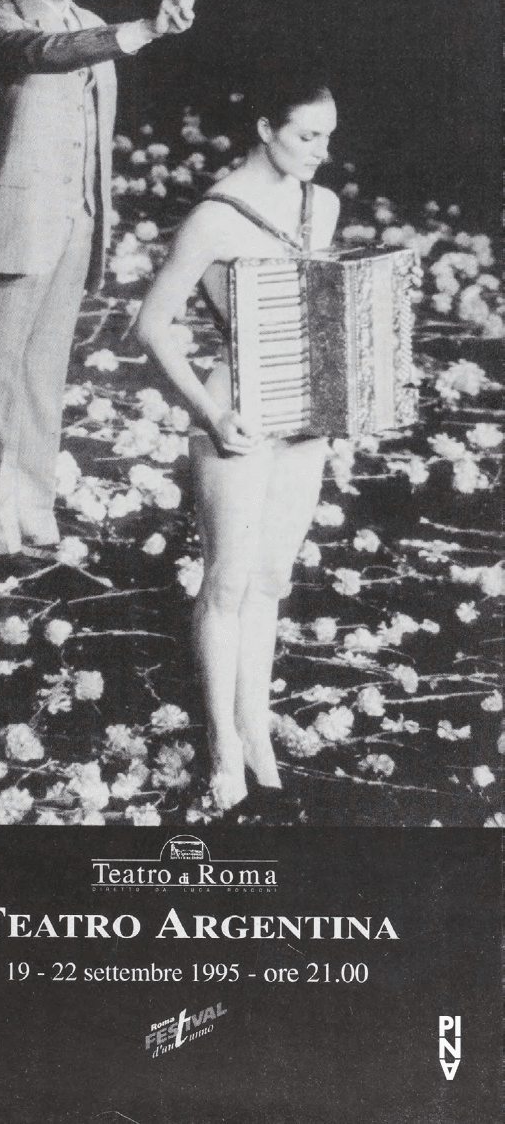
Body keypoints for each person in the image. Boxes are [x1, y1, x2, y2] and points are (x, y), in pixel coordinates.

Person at [0, 0, 206, 555]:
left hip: (79, 220)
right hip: (18, 223)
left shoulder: (89, 17)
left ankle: (33, 511)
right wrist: (142, 30)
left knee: (43, 376)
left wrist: (99, 212)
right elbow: (47, 52)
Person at [136, 69, 340, 811]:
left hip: (303, 413)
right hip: (235, 410)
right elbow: (150, 325)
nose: (320, 151)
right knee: (226, 581)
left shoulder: (323, 205)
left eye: (327, 137)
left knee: (271, 581)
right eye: (305, 136)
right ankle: (222, 741)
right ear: (264, 128)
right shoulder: (215, 216)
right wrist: (211, 414)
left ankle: (256, 725)